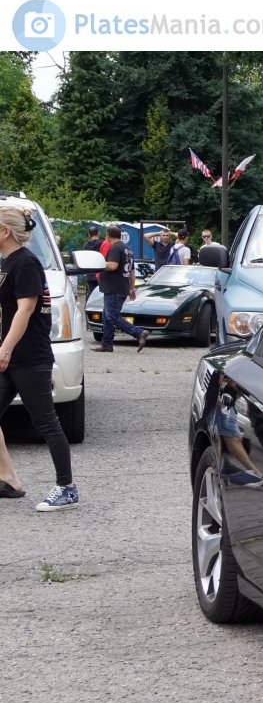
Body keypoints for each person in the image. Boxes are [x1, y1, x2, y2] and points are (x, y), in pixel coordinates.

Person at [0, 203, 80, 511]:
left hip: (29, 358)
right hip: (11, 357)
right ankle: (10, 481)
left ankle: (67, 488)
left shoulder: (26, 263)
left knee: (46, 422)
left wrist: (5, 348)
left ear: (5, 231)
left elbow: (26, 309)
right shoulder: (8, 262)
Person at [97, 224, 147, 353]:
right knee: (106, 316)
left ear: (108, 236)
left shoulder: (115, 248)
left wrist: (100, 262)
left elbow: (113, 266)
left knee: (112, 316)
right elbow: (132, 271)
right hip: (121, 287)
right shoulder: (128, 249)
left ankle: (139, 333)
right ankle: (106, 344)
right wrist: (131, 288)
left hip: (114, 287)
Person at [78, 224, 103, 299]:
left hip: (89, 272)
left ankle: (89, 308)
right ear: (98, 233)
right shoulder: (102, 243)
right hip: (100, 271)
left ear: (89, 234)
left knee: (91, 293)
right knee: (101, 294)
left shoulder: (85, 245)